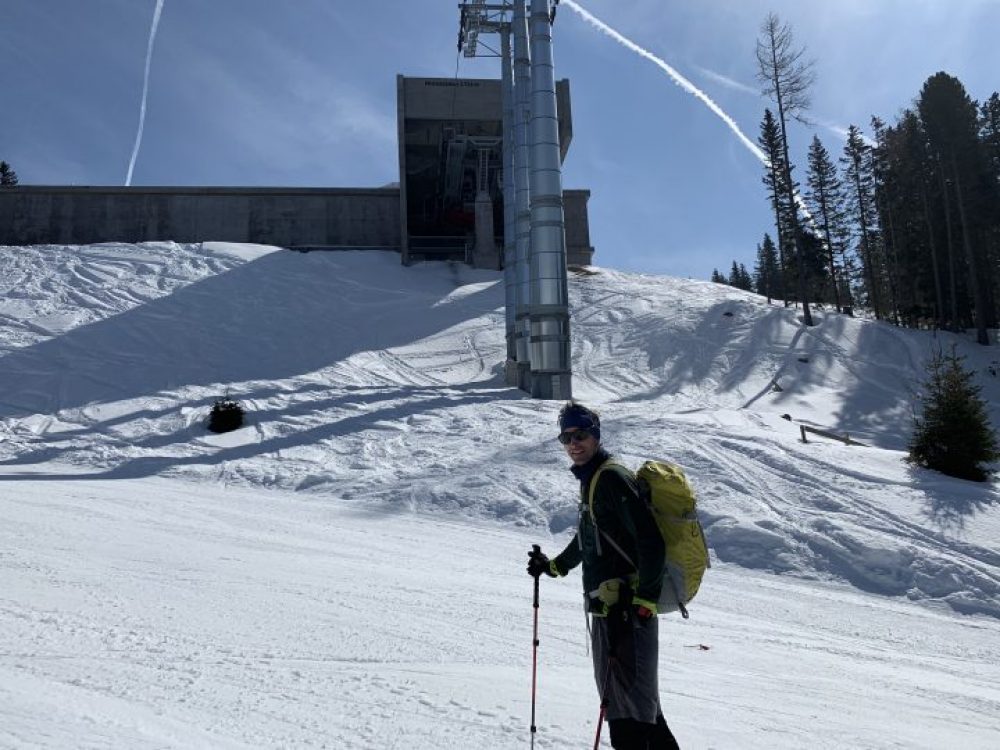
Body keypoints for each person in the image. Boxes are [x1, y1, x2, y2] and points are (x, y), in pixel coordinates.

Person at [527, 401, 680, 750]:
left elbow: (650, 541)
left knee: (631, 715)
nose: (572, 444)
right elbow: (589, 535)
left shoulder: (611, 477)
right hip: (609, 611)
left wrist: (643, 601)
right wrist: (554, 566)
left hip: (627, 612)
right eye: (565, 437)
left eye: (579, 435)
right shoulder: (594, 480)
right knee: (635, 709)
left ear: (595, 435)